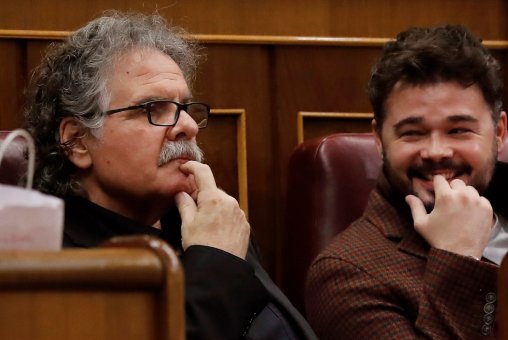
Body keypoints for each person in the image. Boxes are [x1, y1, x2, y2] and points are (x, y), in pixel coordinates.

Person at [23, 12, 316, 340]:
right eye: (153, 108)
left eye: (185, 107)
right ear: (77, 141)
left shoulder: (210, 221)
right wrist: (217, 264)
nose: (188, 126)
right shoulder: (46, 262)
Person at [304, 24, 508, 339]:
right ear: (380, 140)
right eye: (412, 133)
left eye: (458, 130)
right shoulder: (345, 273)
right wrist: (458, 259)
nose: (436, 152)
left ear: (500, 133)